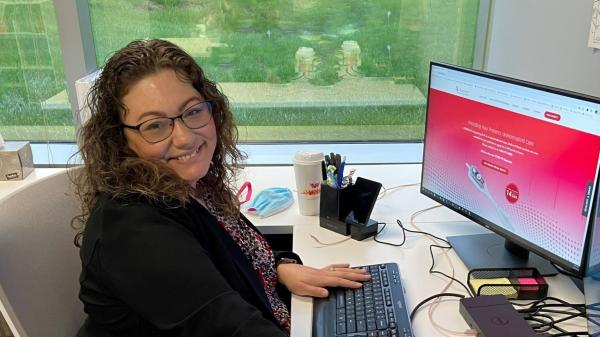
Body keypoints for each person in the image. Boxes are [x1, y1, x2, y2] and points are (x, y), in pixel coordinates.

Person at [72, 39, 370, 337]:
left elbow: (229, 254)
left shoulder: (188, 186)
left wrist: (277, 269)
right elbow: (232, 328)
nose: (185, 138)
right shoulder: (131, 230)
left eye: (192, 111)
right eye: (154, 126)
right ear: (120, 138)